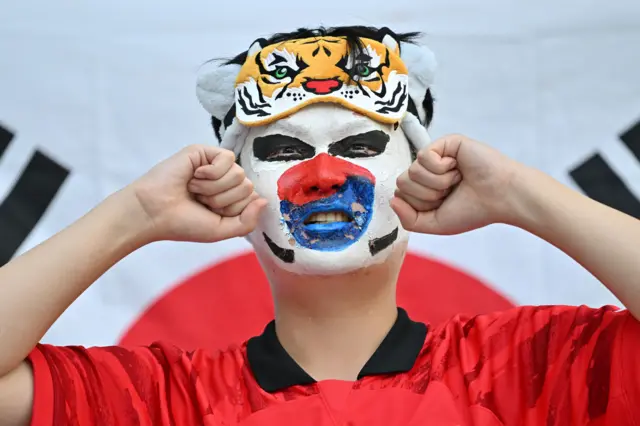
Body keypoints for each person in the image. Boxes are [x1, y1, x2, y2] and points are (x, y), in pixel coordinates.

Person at [0, 25, 639, 426]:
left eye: (361, 145)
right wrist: (134, 215)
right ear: (233, 188)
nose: (324, 175)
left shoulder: (533, 367)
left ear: (422, 174)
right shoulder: (165, 401)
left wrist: (521, 194)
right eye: (282, 151)